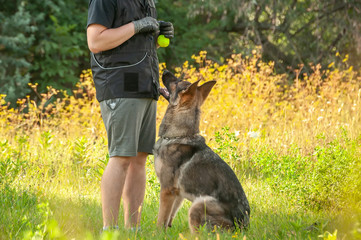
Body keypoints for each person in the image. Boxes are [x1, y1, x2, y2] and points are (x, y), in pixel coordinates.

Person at [86, 0, 174, 231]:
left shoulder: (146, 1)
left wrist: (155, 36)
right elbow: (95, 41)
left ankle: (132, 230)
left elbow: (131, 47)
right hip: (119, 85)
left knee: (139, 158)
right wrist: (138, 26)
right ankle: (110, 231)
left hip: (145, 86)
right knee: (121, 156)